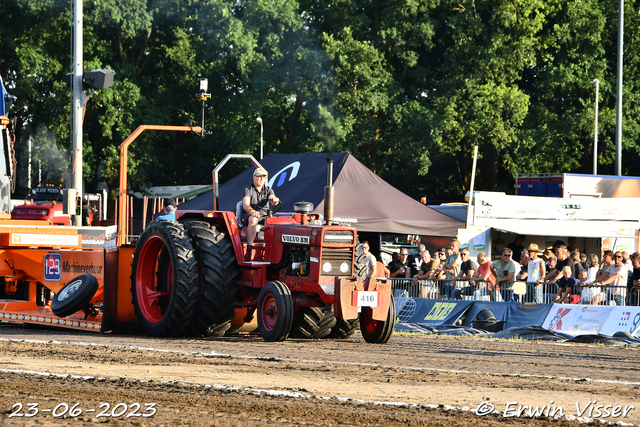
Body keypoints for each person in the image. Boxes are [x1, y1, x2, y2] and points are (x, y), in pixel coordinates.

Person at [242, 167, 280, 249]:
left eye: (264, 177)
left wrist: (275, 200)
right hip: (249, 214)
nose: (262, 179)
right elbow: (245, 204)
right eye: (259, 176)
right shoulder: (248, 189)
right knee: (253, 219)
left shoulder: (268, 190)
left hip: (264, 216)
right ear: (254, 177)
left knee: (278, 223)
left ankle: (274, 248)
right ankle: (250, 247)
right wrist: (252, 211)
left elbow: (272, 199)